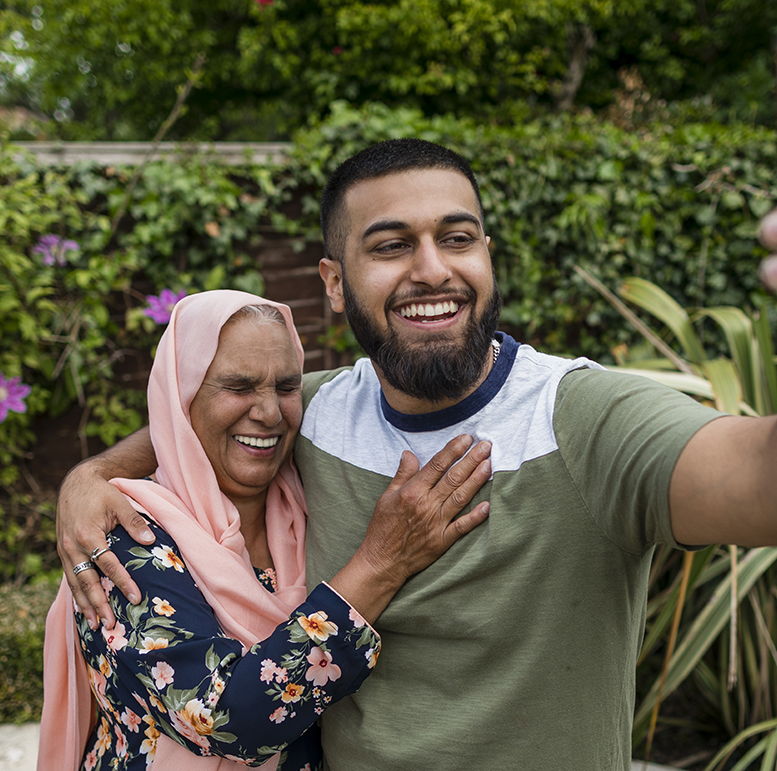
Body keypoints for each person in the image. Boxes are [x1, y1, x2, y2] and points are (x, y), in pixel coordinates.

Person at [56, 118, 777, 770]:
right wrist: (90, 474)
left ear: (488, 256)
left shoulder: (581, 419)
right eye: (392, 245)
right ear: (335, 286)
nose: (432, 269)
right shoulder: (316, 412)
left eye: (456, 237)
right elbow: (203, 418)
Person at [37, 290, 492, 771]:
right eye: (238, 386)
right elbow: (229, 720)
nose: (270, 413)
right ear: (181, 399)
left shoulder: (305, 496)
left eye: (286, 386)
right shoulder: (126, 539)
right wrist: (382, 563)